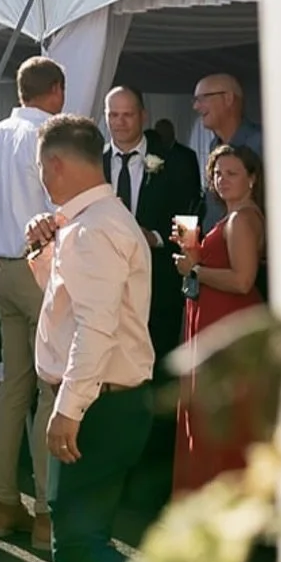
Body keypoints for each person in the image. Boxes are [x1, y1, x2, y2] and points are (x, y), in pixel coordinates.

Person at [27, 113, 154, 562]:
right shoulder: (96, 220)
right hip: (109, 398)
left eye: (39, 168)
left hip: (99, 404)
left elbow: (94, 327)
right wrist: (45, 252)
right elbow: (69, 308)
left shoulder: (92, 228)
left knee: (78, 544)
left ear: (54, 164)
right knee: (85, 542)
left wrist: (68, 407)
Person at [0, 55, 64, 549]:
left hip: (0, 269)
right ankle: (46, 511)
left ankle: (5, 504)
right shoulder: (50, 134)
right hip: (39, 265)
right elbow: (61, 208)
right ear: (57, 90)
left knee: (13, 385)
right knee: (48, 385)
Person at [173, 143, 267, 493]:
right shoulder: (236, 217)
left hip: (227, 320)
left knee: (222, 417)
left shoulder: (242, 218)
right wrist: (197, 255)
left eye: (232, 173)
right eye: (217, 172)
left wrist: (194, 268)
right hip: (217, 317)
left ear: (252, 179)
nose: (222, 179)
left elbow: (243, 280)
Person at [102, 85, 203, 372]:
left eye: (127, 115)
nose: (119, 122)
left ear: (143, 116)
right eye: (113, 115)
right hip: (108, 288)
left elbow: (189, 220)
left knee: (162, 368)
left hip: (159, 284)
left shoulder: (177, 162)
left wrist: (156, 238)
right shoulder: (94, 164)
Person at [191, 75, 263, 231]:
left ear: (228, 98)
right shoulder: (213, 146)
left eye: (202, 98)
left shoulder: (262, 144)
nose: (196, 106)